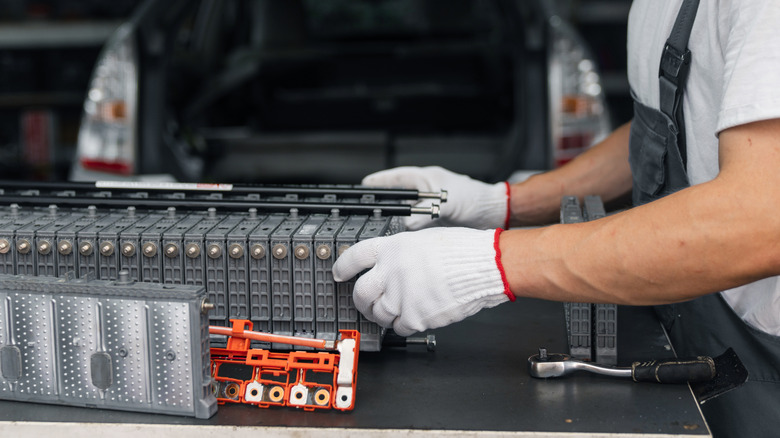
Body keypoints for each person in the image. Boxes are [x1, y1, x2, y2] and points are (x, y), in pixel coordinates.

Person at [331, 1, 780, 437]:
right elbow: (661, 132)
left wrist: (492, 264)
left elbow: (759, 220)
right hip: (683, 347)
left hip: (760, 376)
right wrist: (504, 203)